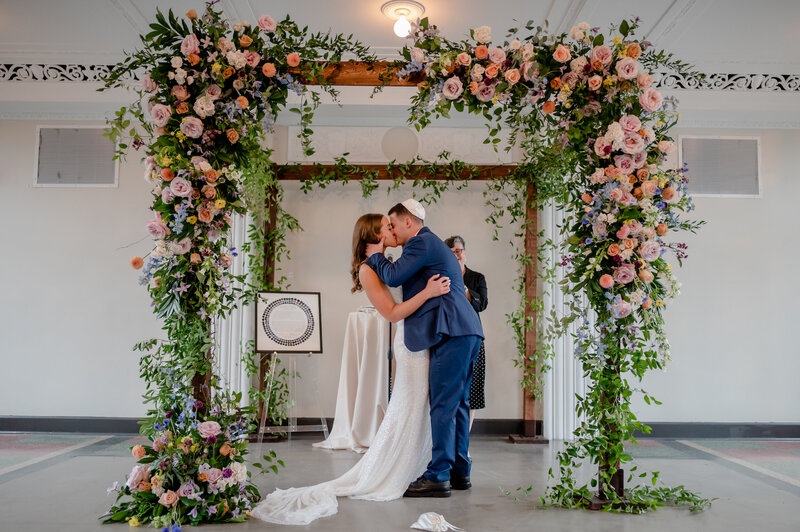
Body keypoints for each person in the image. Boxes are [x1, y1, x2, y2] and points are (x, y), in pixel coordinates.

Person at [252, 213, 450, 525]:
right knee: (408, 408)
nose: (392, 229)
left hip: (420, 342)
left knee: (418, 408)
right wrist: (427, 293)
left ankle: (417, 468)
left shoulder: (393, 263)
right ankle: (396, 471)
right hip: (409, 346)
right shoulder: (368, 268)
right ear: (374, 234)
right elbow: (394, 312)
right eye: (387, 226)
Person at [365, 199, 483, 498]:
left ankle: (438, 475)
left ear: (408, 222)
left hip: (453, 330)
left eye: (392, 224)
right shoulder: (429, 245)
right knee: (457, 404)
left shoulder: (421, 242)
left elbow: (392, 276)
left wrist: (375, 255)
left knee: (443, 403)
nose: (391, 229)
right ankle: (459, 471)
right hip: (466, 330)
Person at [444, 236, 488, 432]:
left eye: (460, 250)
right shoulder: (441, 277)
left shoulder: (477, 278)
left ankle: (465, 440)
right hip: (448, 338)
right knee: (450, 391)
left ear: (465, 252)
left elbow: (483, 304)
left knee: (473, 391)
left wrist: (466, 291)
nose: (458, 254)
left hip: (473, 337)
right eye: (453, 251)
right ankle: (448, 437)